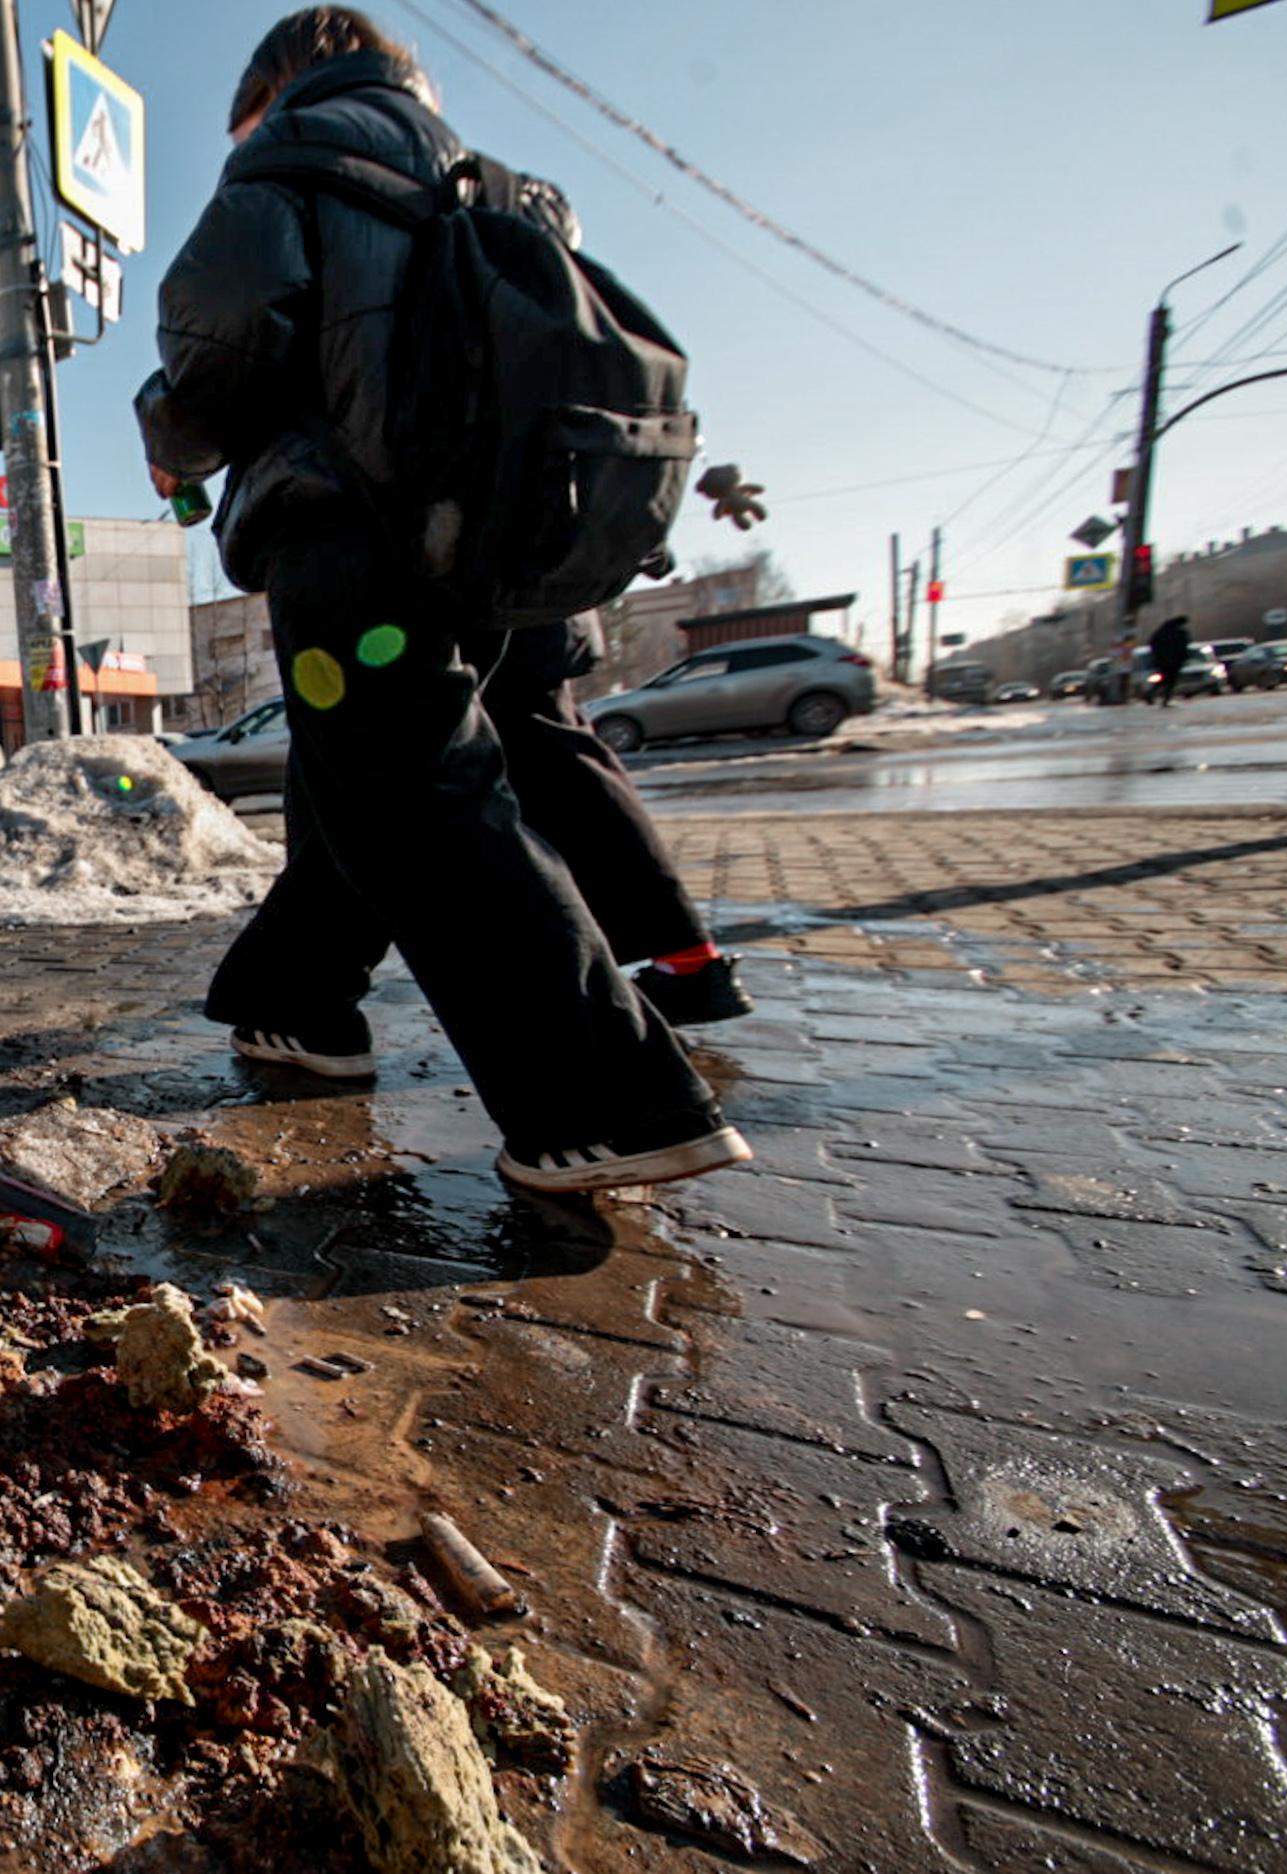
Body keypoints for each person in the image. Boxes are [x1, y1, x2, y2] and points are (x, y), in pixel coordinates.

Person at [133, 7, 747, 1194]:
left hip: (348, 532)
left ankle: (608, 1099)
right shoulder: (507, 192)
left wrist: (170, 440)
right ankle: (297, 1005)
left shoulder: (291, 163)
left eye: (241, 112)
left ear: (284, 83)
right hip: (476, 549)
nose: (237, 135)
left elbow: (219, 343)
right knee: (364, 777)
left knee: (417, 798)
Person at [1147, 613, 1193, 706]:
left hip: (1163, 661)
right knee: (1170, 681)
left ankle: (1151, 695)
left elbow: (1152, 643)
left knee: (1164, 679)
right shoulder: (1179, 633)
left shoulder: (1162, 631)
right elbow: (1183, 646)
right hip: (1174, 661)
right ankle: (1164, 700)